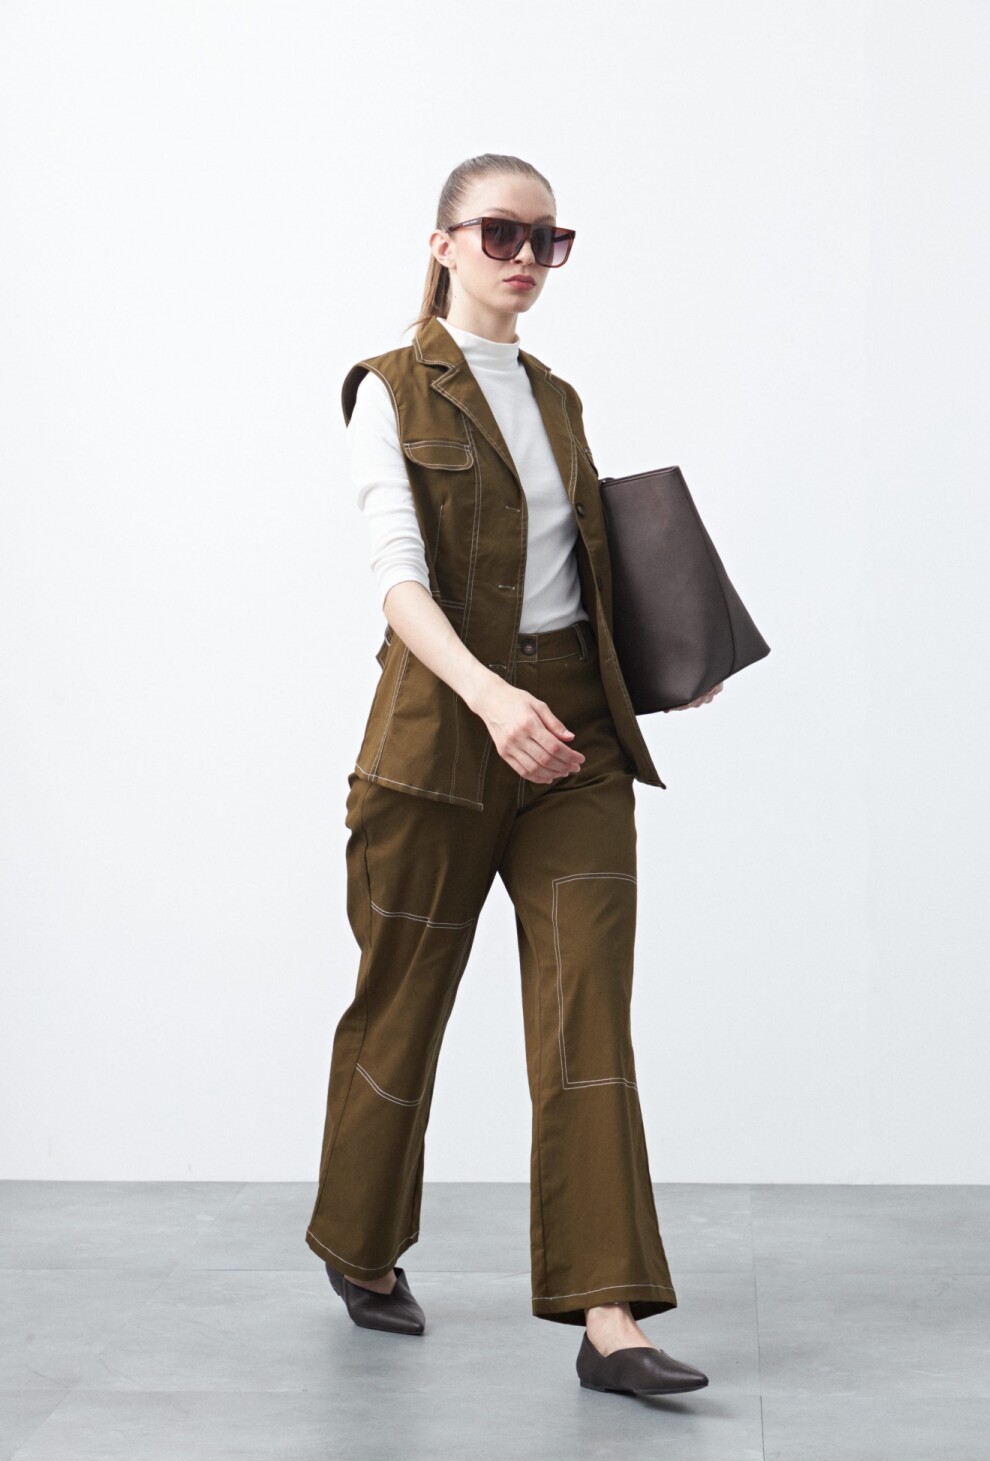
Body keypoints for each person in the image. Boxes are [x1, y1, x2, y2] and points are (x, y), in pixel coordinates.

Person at [305, 153, 720, 1397]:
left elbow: (580, 566)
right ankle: (359, 1246)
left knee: (589, 1013)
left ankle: (610, 1320)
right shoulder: (386, 389)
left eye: (548, 239)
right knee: (401, 1004)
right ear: (441, 243)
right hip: (441, 738)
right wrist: (489, 699)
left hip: (573, 739)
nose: (527, 258)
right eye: (501, 233)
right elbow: (397, 580)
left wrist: (661, 661)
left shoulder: (559, 399)